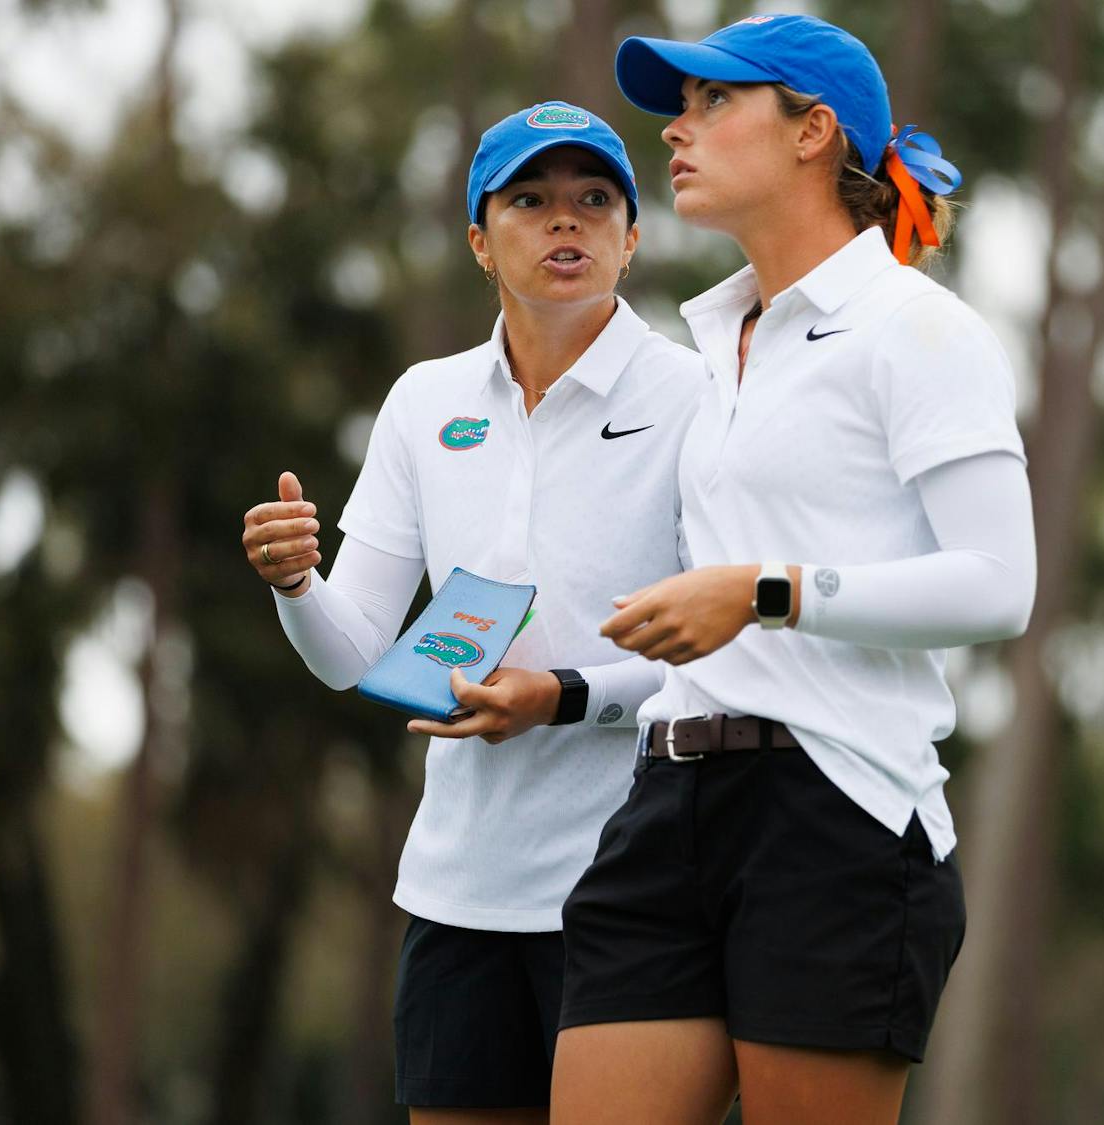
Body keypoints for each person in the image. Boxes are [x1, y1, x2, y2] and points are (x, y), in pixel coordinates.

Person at [550, 16, 1038, 1125]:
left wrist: (768, 591)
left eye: (716, 102)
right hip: (668, 800)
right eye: (680, 106)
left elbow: (1001, 585)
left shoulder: (917, 329)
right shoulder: (718, 341)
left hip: (838, 815)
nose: (676, 130)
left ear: (814, 130)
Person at [240, 100, 702, 1122]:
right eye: (530, 201)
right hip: (458, 892)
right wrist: (297, 589)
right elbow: (354, 649)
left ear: (633, 238)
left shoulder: (698, 397)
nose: (564, 223)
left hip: (640, 889)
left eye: (593, 201)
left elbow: (720, 656)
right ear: (480, 243)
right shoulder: (423, 402)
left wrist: (563, 698)